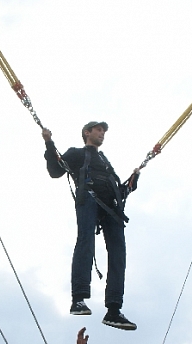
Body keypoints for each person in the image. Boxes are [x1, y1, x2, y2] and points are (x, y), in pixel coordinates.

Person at [43, 122, 139, 331]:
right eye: (98, 130)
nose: (102, 133)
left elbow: (118, 190)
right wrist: (49, 144)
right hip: (89, 198)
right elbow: (55, 171)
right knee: (86, 240)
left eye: (103, 131)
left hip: (111, 206)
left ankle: (113, 310)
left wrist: (132, 182)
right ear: (87, 133)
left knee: (119, 253)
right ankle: (78, 298)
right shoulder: (76, 153)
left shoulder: (104, 160)